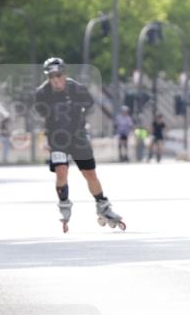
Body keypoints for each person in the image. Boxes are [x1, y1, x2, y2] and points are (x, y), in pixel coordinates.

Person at [33, 57, 125, 232]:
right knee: (61, 171)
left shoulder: (77, 88)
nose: (55, 80)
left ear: (64, 74)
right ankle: (64, 204)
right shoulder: (42, 93)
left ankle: (103, 205)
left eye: (58, 75)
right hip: (57, 138)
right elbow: (42, 114)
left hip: (78, 136)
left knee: (90, 174)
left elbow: (90, 106)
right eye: (51, 76)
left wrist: (78, 114)